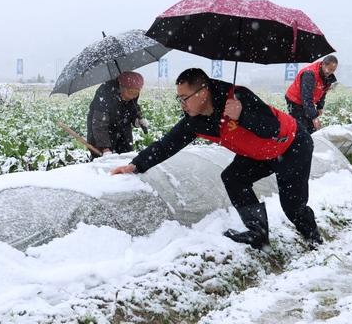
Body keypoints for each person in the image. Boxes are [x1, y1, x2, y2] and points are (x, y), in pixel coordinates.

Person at [111, 68, 322, 250]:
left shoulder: (238, 97)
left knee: (292, 206)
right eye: (179, 98)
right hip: (259, 154)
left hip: (292, 146)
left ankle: (314, 239)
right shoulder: (196, 121)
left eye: (184, 97)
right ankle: (258, 234)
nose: (182, 104)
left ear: (203, 92)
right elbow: (168, 144)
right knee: (233, 177)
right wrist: (135, 165)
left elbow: (271, 128)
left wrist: (242, 116)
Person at [86, 71, 148, 159]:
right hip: (101, 134)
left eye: (136, 92)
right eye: (131, 92)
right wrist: (105, 148)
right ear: (122, 87)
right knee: (104, 163)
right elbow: (99, 124)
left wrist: (136, 120)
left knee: (125, 159)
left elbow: (132, 108)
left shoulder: (132, 95)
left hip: (123, 130)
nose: (133, 96)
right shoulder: (105, 93)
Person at [285, 55, 338, 133]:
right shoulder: (309, 74)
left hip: (307, 102)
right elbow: (306, 98)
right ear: (323, 64)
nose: (329, 72)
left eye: (333, 70)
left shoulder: (327, 77)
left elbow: (323, 92)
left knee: (312, 129)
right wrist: (314, 118)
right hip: (295, 101)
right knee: (301, 129)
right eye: (329, 69)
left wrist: (320, 107)